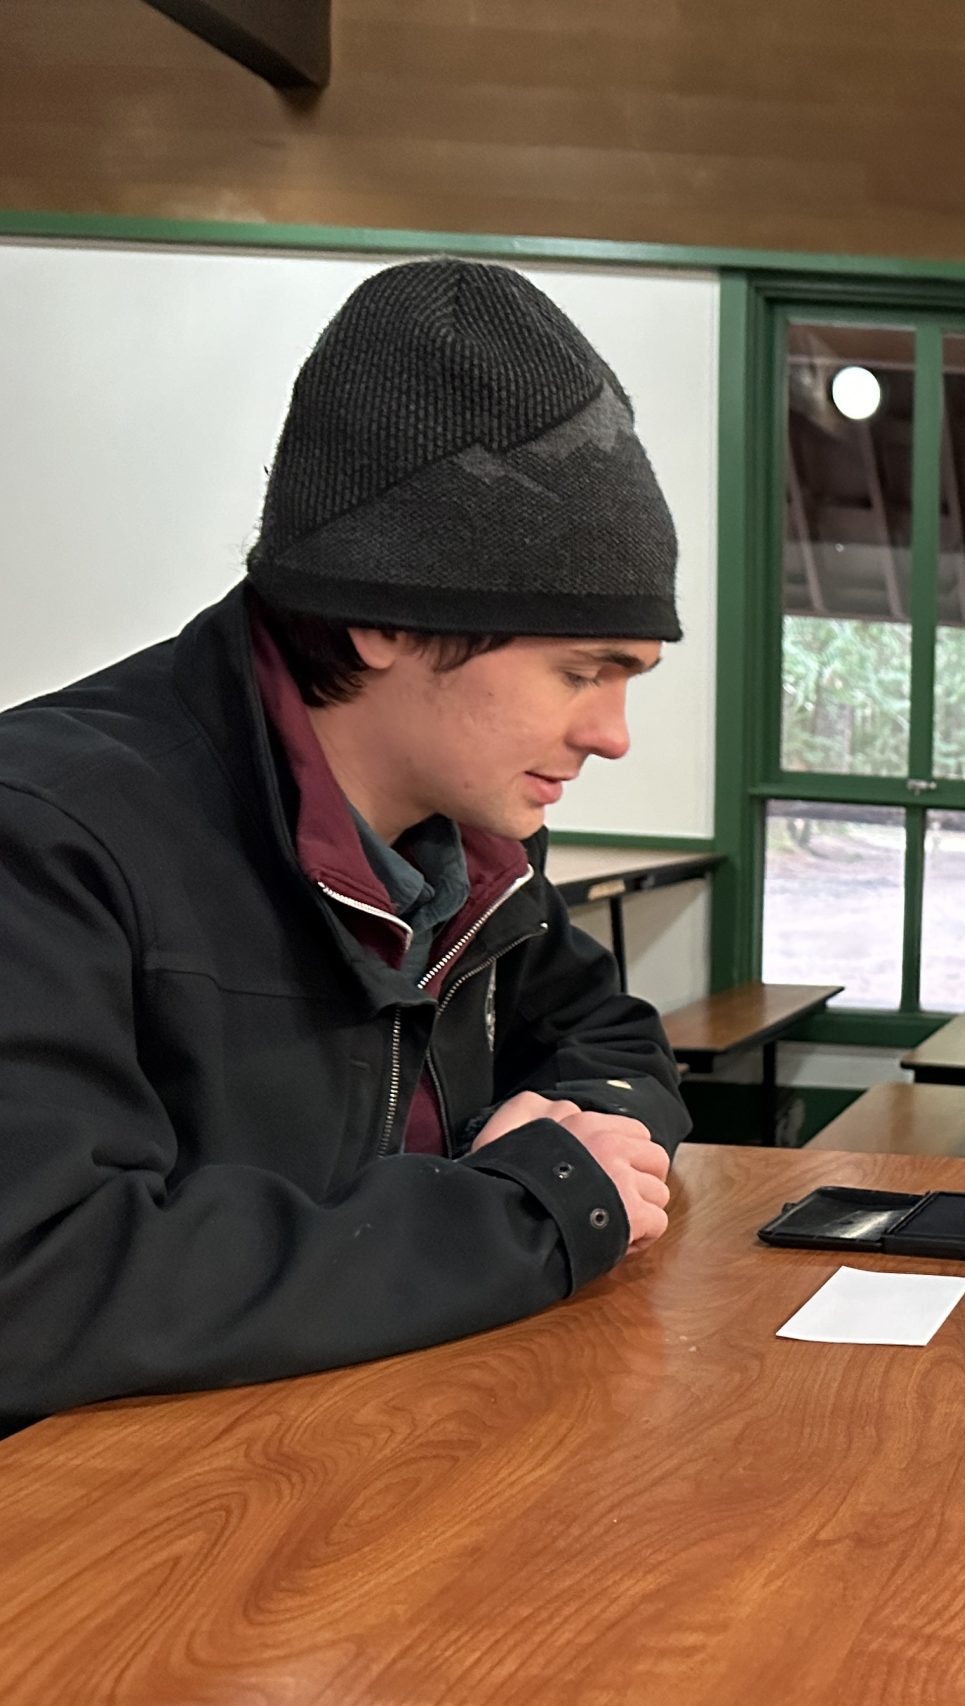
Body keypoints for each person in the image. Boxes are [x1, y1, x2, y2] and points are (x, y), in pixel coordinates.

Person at [0, 259, 688, 1433]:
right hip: (127, 1519)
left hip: (384, 1444)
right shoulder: (49, 831)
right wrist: (525, 1211)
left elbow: (610, 1042)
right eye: (581, 672)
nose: (613, 735)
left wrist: (578, 1135)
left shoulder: (472, 847)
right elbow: (40, 1283)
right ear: (383, 616)